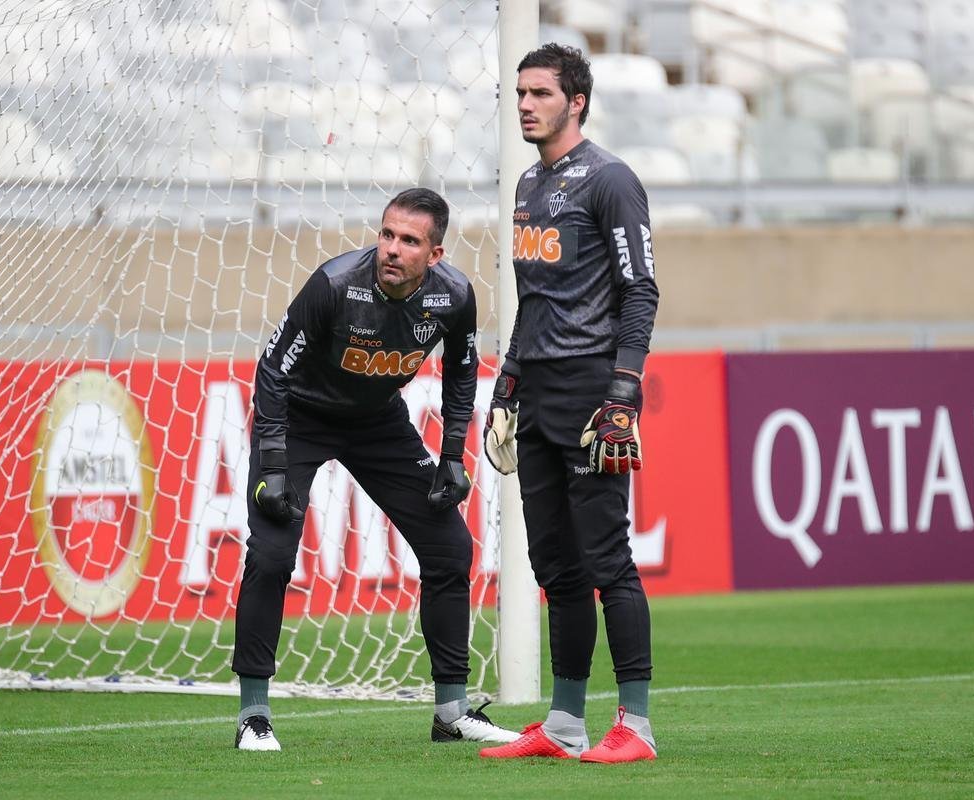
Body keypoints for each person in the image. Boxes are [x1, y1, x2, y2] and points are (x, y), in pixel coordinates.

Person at [231, 187, 518, 752]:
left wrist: (452, 457)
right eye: (387, 234)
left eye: (409, 241)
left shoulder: (455, 296)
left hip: (376, 422)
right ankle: (253, 715)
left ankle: (451, 713)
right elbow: (272, 371)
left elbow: (462, 374)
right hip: (300, 420)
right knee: (270, 554)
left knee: (451, 550)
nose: (391, 248)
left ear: (434, 255)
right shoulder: (334, 284)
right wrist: (271, 464)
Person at [479, 44, 661, 764]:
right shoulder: (528, 183)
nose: (525, 103)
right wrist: (508, 382)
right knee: (556, 567)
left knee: (608, 558)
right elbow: (535, 299)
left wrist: (623, 389)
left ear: (576, 101)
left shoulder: (612, 180)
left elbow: (640, 289)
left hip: (592, 388)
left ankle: (637, 725)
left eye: (541, 93)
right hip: (540, 390)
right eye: (520, 92)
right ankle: (563, 724)